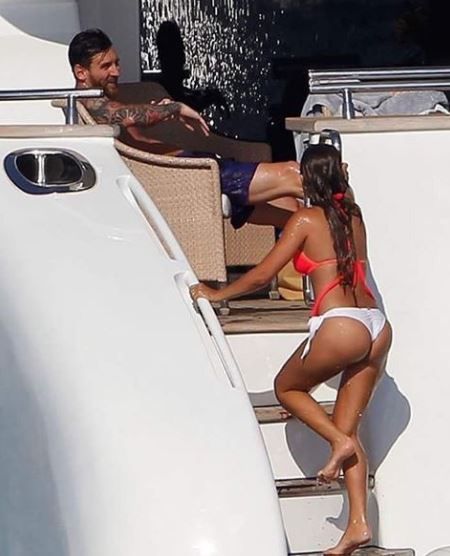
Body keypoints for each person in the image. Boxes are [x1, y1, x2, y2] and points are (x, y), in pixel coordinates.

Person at [191, 144, 392, 555]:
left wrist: (216, 293)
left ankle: (336, 442)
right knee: (348, 426)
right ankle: (357, 525)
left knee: (287, 388)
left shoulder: (305, 219)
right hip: (376, 325)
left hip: (341, 324)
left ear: (308, 179)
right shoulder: (354, 216)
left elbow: (262, 275)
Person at [68, 28, 302, 230]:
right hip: (187, 177)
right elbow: (125, 116)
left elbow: (129, 123)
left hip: (191, 169)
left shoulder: (99, 103)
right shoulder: (90, 103)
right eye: (106, 66)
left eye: (116, 63)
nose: (116, 72)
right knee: (293, 173)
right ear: (81, 72)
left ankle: (311, 256)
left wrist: (158, 112)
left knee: (291, 208)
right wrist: (175, 108)